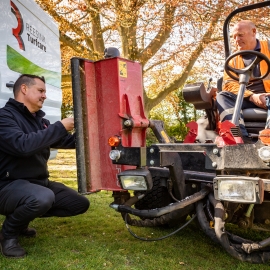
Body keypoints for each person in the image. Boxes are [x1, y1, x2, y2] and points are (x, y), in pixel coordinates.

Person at [0, 74, 90, 258]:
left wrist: (90, 130)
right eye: (40, 91)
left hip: (38, 184)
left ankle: (20, 221)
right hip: (7, 185)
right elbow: (22, 145)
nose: (44, 96)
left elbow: (67, 141)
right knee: (42, 198)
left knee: (79, 203)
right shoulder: (4, 117)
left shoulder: (40, 121)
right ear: (24, 89)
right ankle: (8, 234)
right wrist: (60, 126)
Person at [216, 20, 270, 142]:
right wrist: (252, 96)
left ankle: (268, 137)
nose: (237, 39)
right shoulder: (232, 60)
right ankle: (238, 136)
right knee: (222, 96)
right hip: (246, 98)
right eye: (234, 37)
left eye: (240, 35)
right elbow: (229, 84)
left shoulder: (269, 48)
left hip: (268, 96)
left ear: (254, 32)